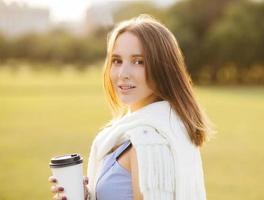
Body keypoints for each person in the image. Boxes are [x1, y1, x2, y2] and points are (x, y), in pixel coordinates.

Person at [49, 14, 215, 200]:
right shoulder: (136, 131)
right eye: (117, 61)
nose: (123, 73)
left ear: (163, 68)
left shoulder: (150, 142)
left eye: (138, 61)